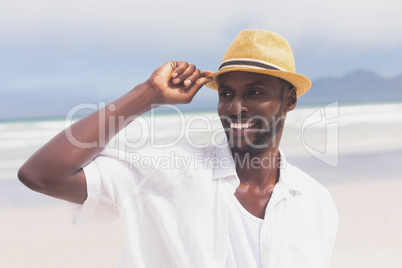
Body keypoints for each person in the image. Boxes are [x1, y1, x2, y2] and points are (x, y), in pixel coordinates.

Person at [18, 30, 338, 267]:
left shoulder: (315, 202)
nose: (235, 107)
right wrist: (148, 94)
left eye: (254, 92)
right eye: (226, 94)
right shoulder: (171, 171)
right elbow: (42, 174)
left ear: (289, 101)